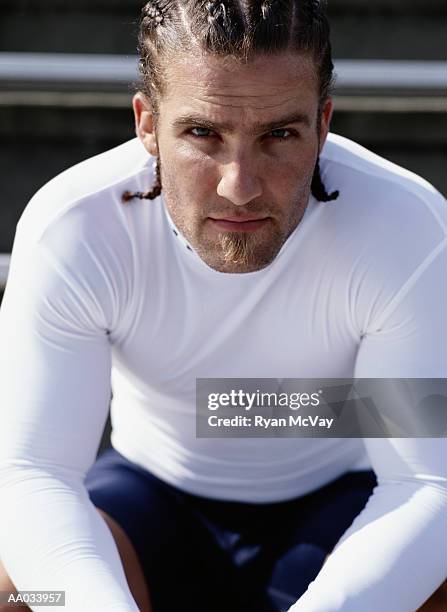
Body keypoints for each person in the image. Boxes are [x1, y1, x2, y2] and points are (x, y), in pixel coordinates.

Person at [0, 0, 446, 610]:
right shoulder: (75, 227)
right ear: (148, 124)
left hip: (346, 508)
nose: (240, 186)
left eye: (279, 135)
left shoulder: (405, 224)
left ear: (324, 123)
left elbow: (426, 481)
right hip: (149, 502)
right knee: (24, 596)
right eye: (203, 133)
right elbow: (32, 472)